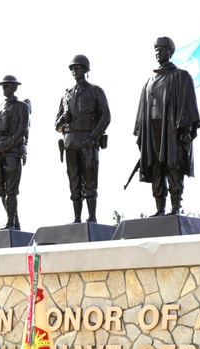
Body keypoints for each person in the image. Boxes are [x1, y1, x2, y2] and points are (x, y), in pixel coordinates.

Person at [134, 36, 200, 217]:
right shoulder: (148, 81)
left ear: (170, 52)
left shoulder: (180, 76)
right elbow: (142, 113)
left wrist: (186, 129)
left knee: (173, 167)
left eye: (162, 49)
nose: (158, 52)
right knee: (157, 169)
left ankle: (175, 207)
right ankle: (159, 208)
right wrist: (142, 134)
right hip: (153, 134)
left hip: (172, 131)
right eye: (156, 50)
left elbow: (188, 104)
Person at [55, 54, 111, 223]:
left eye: (78, 68)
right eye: (73, 69)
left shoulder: (95, 91)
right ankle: (77, 217)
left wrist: (94, 137)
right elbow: (56, 125)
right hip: (70, 143)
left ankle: (92, 216)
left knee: (90, 180)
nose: (75, 71)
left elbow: (106, 117)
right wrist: (62, 120)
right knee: (73, 180)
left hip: (88, 142)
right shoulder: (66, 95)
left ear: (86, 70)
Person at [0, 75, 30, 231]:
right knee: (0, 190)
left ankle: (11, 223)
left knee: (11, 190)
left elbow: (22, 131)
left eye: (8, 86)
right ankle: (14, 222)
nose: (5, 89)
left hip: (12, 153)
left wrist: (3, 146)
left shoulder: (21, 107)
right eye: (3, 86)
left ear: (15, 87)